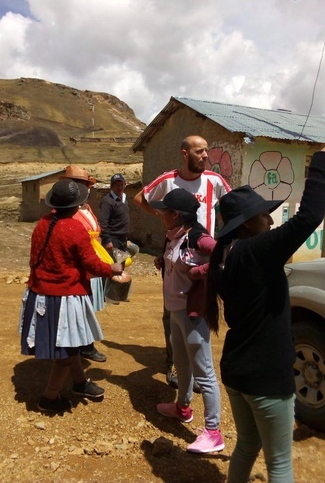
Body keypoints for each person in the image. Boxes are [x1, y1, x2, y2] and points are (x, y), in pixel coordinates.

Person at [207, 134, 325, 482]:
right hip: (266, 376)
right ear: (249, 224)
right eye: (265, 216)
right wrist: (323, 162)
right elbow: (309, 216)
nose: (270, 220)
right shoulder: (256, 252)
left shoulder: (225, 256)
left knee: (247, 447)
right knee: (280, 464)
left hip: (237, 372)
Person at [134, 135, 231, 389]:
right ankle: (175, 363)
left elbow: (232, 205)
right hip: (176, 257)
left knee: (201, 311)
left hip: (204, 258)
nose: (206, 156)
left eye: (207, 151)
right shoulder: (169, 180)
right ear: (185, 154)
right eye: (199, 151)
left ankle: (199, 370)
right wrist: (162, 216)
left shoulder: (215, 181)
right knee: (172, 314)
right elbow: (139, 198)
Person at [19, 179, 123, 413]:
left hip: (41, 294)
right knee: (66, 352)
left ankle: (79, 383)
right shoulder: (75, 229)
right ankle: (49, 398)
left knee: (72, 344)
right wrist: (112, 269)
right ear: (77, 206)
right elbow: (91, 264)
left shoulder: (42, 223)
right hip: (63, 297)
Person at [150, 188, 224, 454]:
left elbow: (222, 255)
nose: (161, 215)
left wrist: (198, 272)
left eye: (165, 211)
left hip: (191, 314)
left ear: (176, 214)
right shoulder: (173, 237)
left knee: (204, 373)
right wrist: (163, 261)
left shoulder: (197, 238)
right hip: (175, 312)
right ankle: (183, 408)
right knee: (182, 364)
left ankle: (214, 433)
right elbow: (177, 262)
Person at [60, 165, 107, 363]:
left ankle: (84, 345)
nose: (87, 189)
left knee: (89, 307)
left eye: (87, 185)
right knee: (80, 308)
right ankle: (82, 347)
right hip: (80, 265)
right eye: (83, 185)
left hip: (92, 263)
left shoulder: (86, 208)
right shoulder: (65, 211)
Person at [99, 173, 139, 258]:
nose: (120, 187)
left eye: (121, 185)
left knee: (121, 265)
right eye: (117, 185)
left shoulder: (124, 199)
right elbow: (103, 223)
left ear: (124, 185)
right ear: (112, 186)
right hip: (113, 240)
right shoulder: (107, 201)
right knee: (113, 267)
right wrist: (107, 240)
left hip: (123, 239)